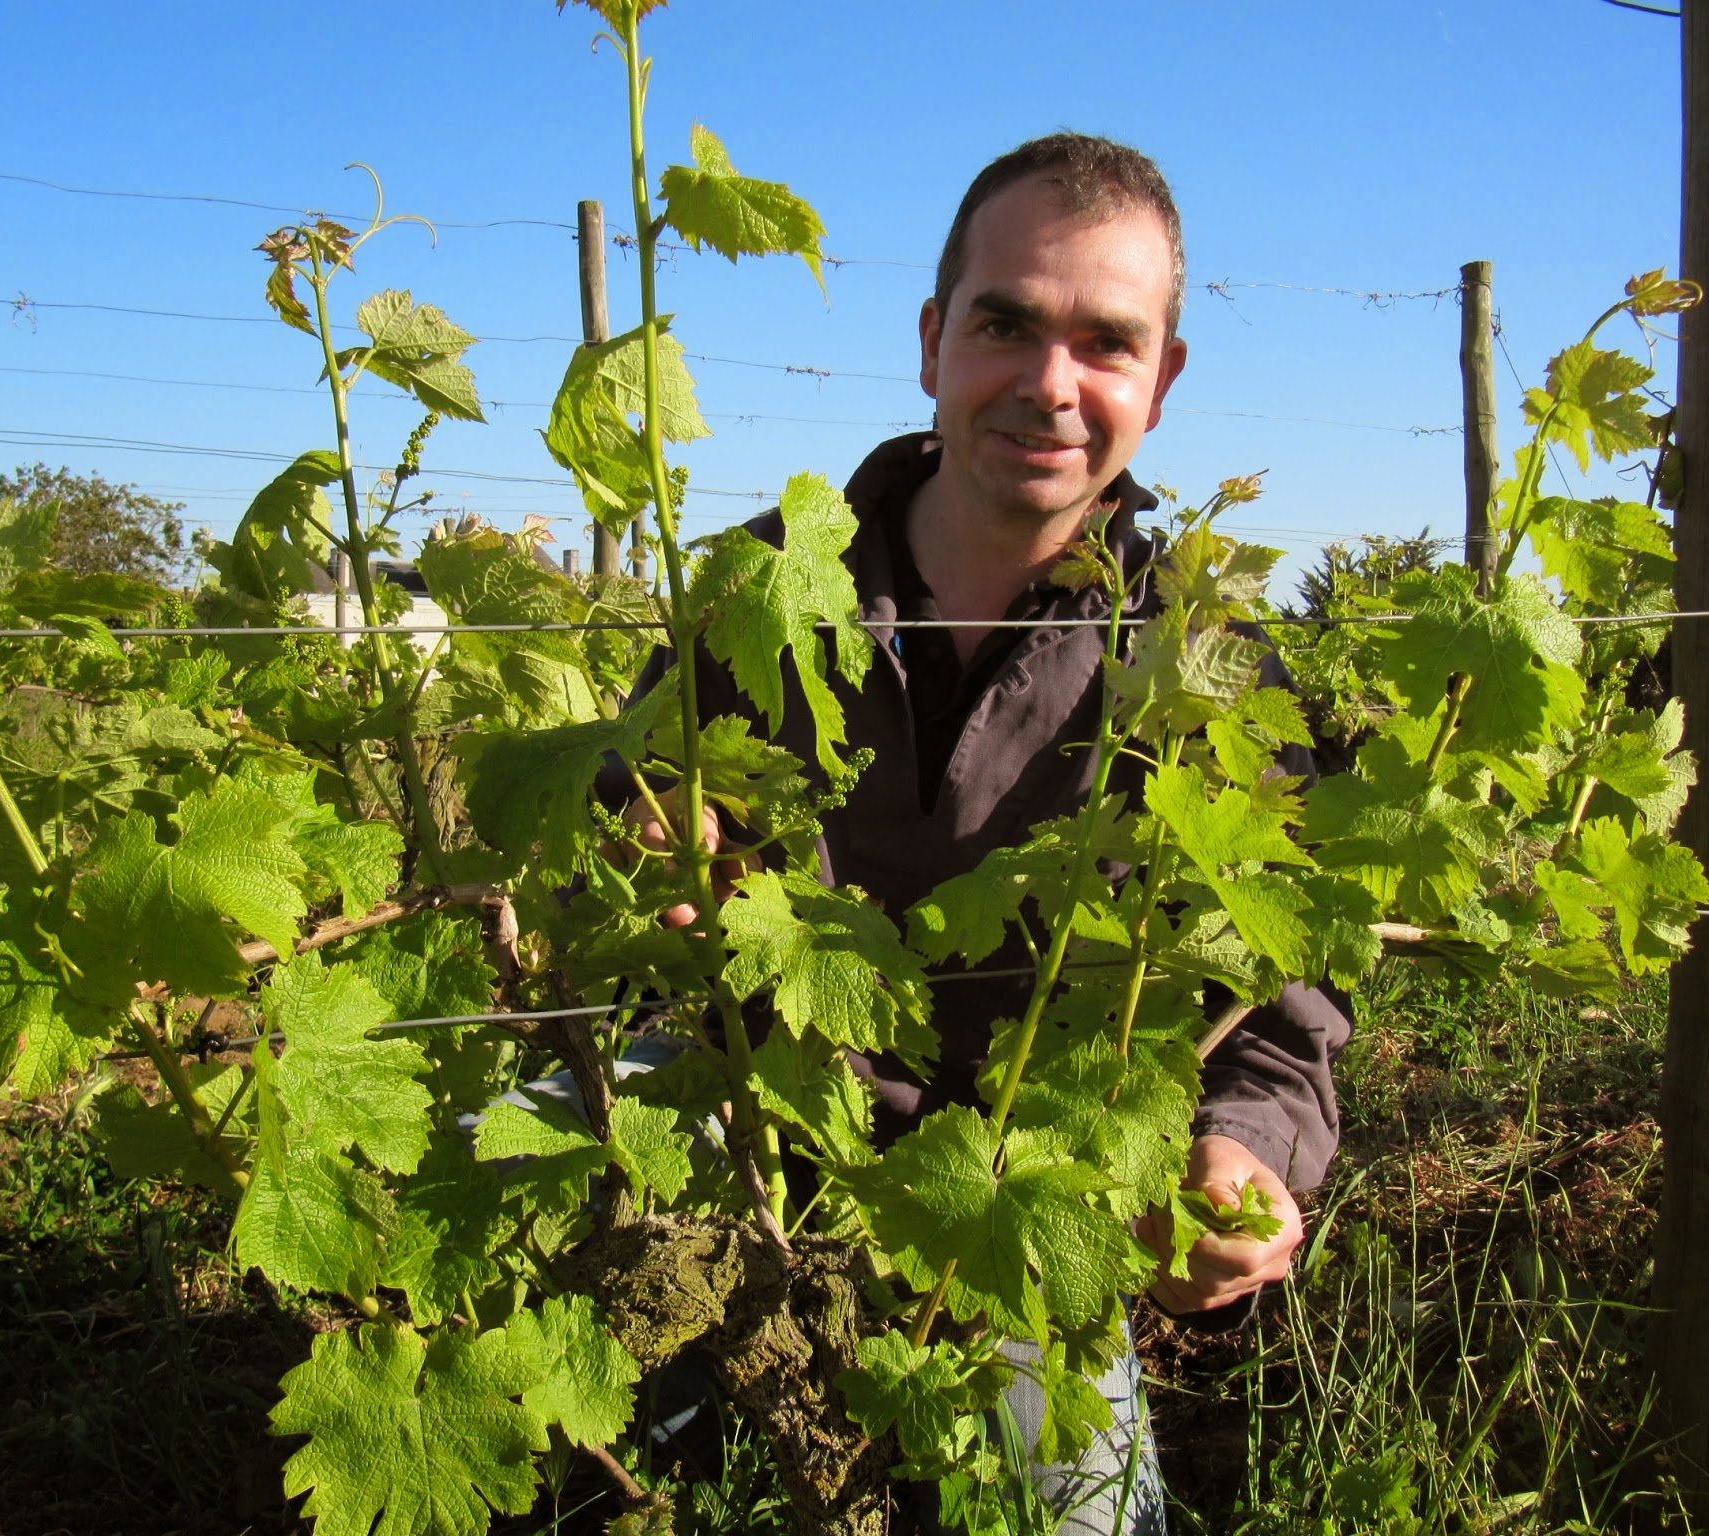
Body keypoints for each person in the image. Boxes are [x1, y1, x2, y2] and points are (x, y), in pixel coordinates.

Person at [624, 133, 1350, 1532]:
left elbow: (1281, 989)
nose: (1051, 384)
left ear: (1165, 380)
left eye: (1106, 342)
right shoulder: (757, 591)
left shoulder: (1214, 665)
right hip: (762, 1155)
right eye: (1006, 323)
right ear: (931, 342)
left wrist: (1241, 1147)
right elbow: (619, 868)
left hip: (1033, 1208)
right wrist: (658, 893)